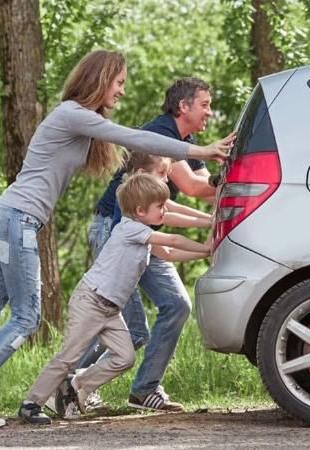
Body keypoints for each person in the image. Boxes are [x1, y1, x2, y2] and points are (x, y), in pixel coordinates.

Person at [0, 51, 233, 429]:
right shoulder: (72, 113)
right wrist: (199, 151)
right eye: (119, 82)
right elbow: (134, 137)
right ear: (101, 78)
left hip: (11, 216)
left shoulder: (78, 122)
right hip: (18, 219)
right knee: (26, 318)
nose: (122, 90)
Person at [66, 77, 220, 414]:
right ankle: (69, 382)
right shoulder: (161, 137)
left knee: (177, 304)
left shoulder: (187, 141)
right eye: (205, 104)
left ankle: (144, 389)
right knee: (126, 326)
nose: (210, 112)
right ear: (184, 106)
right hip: (115, 229)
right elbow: (195, 188)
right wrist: (241, 179)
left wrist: (216, 215)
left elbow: (208, 188)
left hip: (144, 230)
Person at [19, 173, 211, 424]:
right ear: (140, 210)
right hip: (91, 301)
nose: (165, 210)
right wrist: (206, 247)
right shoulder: (130, 229)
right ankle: (31, 403)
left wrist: (207, 251)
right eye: (160, 206)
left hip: (110, 310)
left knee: (125, 357)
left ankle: (77, 384)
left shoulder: (144, 235)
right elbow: (173, 238)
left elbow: (172, 252)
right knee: (68, 356)